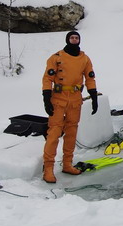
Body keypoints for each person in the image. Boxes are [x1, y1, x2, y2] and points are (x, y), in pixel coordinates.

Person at [41, 30, 98, 183]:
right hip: (58, 99)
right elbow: (47, 78)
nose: (74, 39)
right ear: (67, 40)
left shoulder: (84, 59)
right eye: (72, 37)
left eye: (76, 37)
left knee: (72, 133)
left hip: (75, 99)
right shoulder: (56, 58)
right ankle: (48, 168)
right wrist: (46, 98)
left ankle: (67, 164)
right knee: (54, 133)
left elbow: (90, 77)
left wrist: (94, 96)